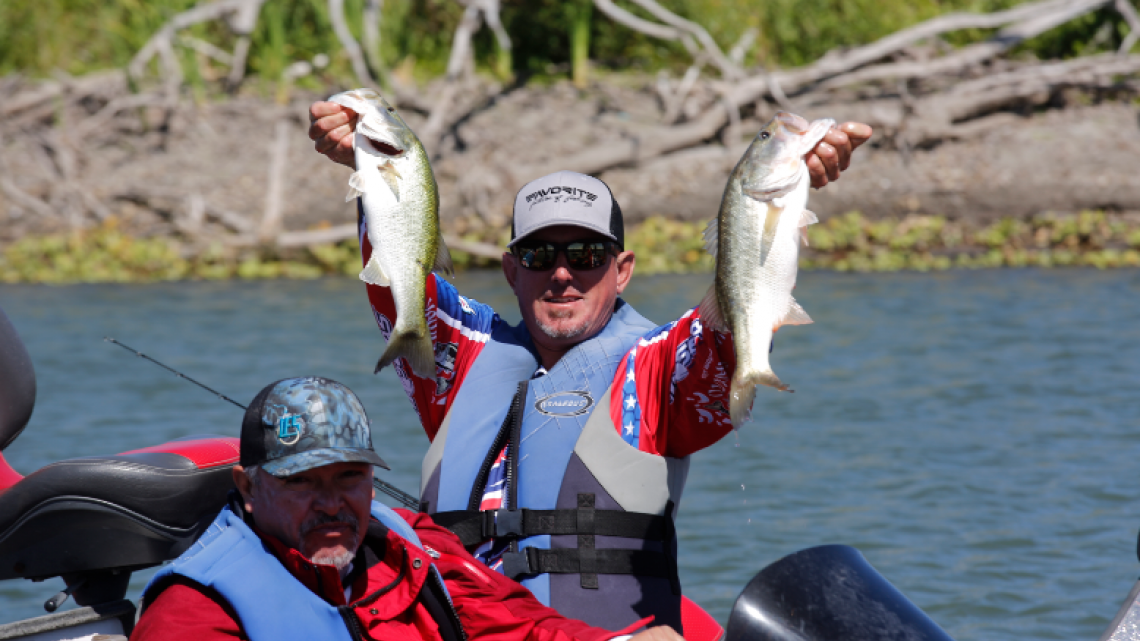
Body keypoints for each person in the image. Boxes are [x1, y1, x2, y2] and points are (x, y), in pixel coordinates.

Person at [307, 100, 872, 633]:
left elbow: (725, 332)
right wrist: (371, 164)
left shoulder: (653, 369)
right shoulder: (461, 357)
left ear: (622, 270)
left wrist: (783, 190)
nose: (561, 274)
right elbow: (398, 280)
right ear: (511, 271)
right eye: (539, 255)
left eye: (585, 255)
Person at [132, 376, 683, 641]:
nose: (331, 503)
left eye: (349, 477)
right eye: (301, 482)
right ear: (248, 489)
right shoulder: (194, 609)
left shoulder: (414, 546)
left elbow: (521, 627)